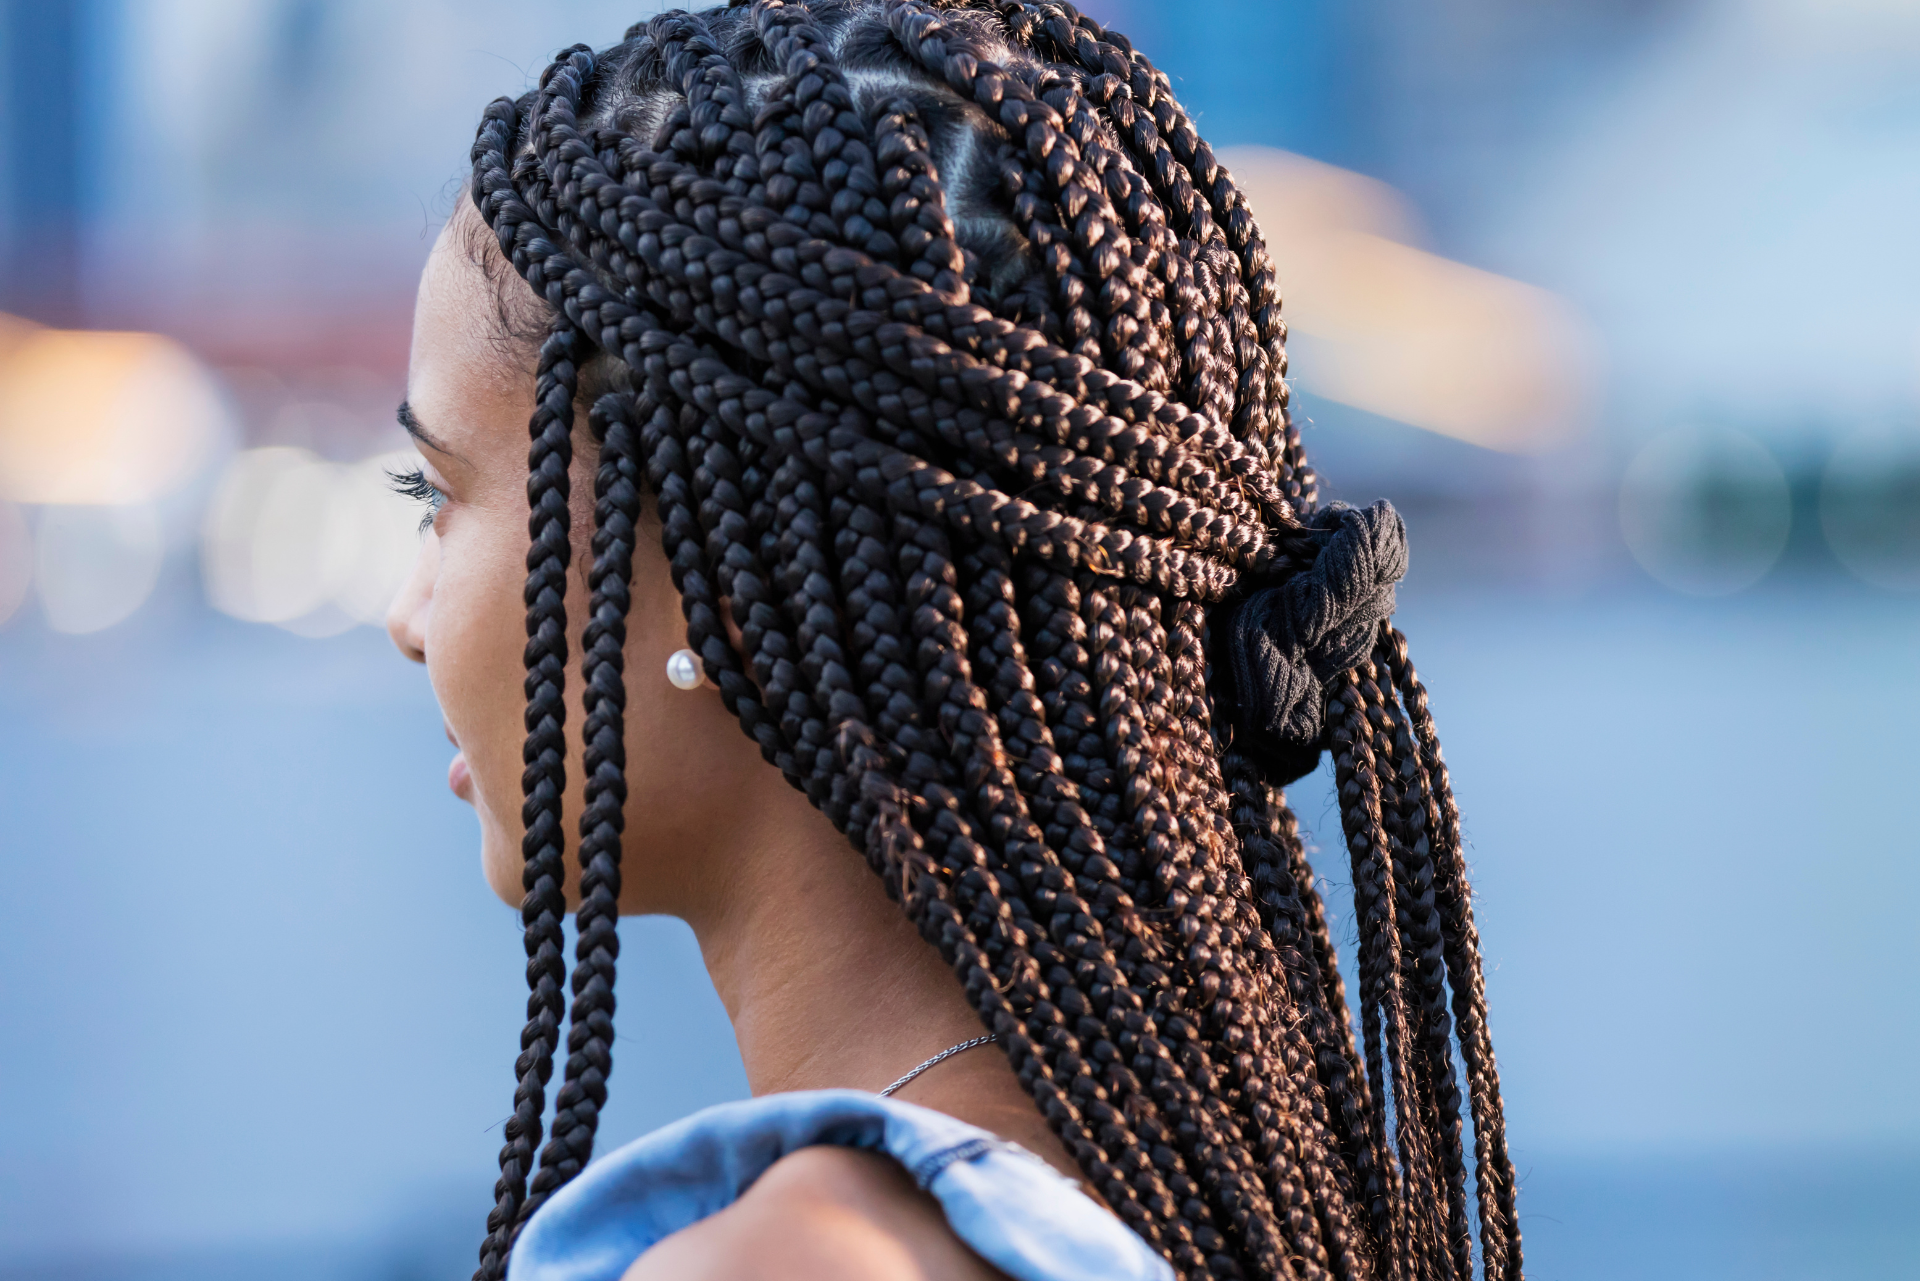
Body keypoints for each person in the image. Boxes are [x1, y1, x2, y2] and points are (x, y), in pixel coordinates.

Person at [383, 3, 1520, 1278]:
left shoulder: (804, 1264)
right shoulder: (1230, 1197)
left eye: (437, 498)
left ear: (718, 577)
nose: (405, 619)